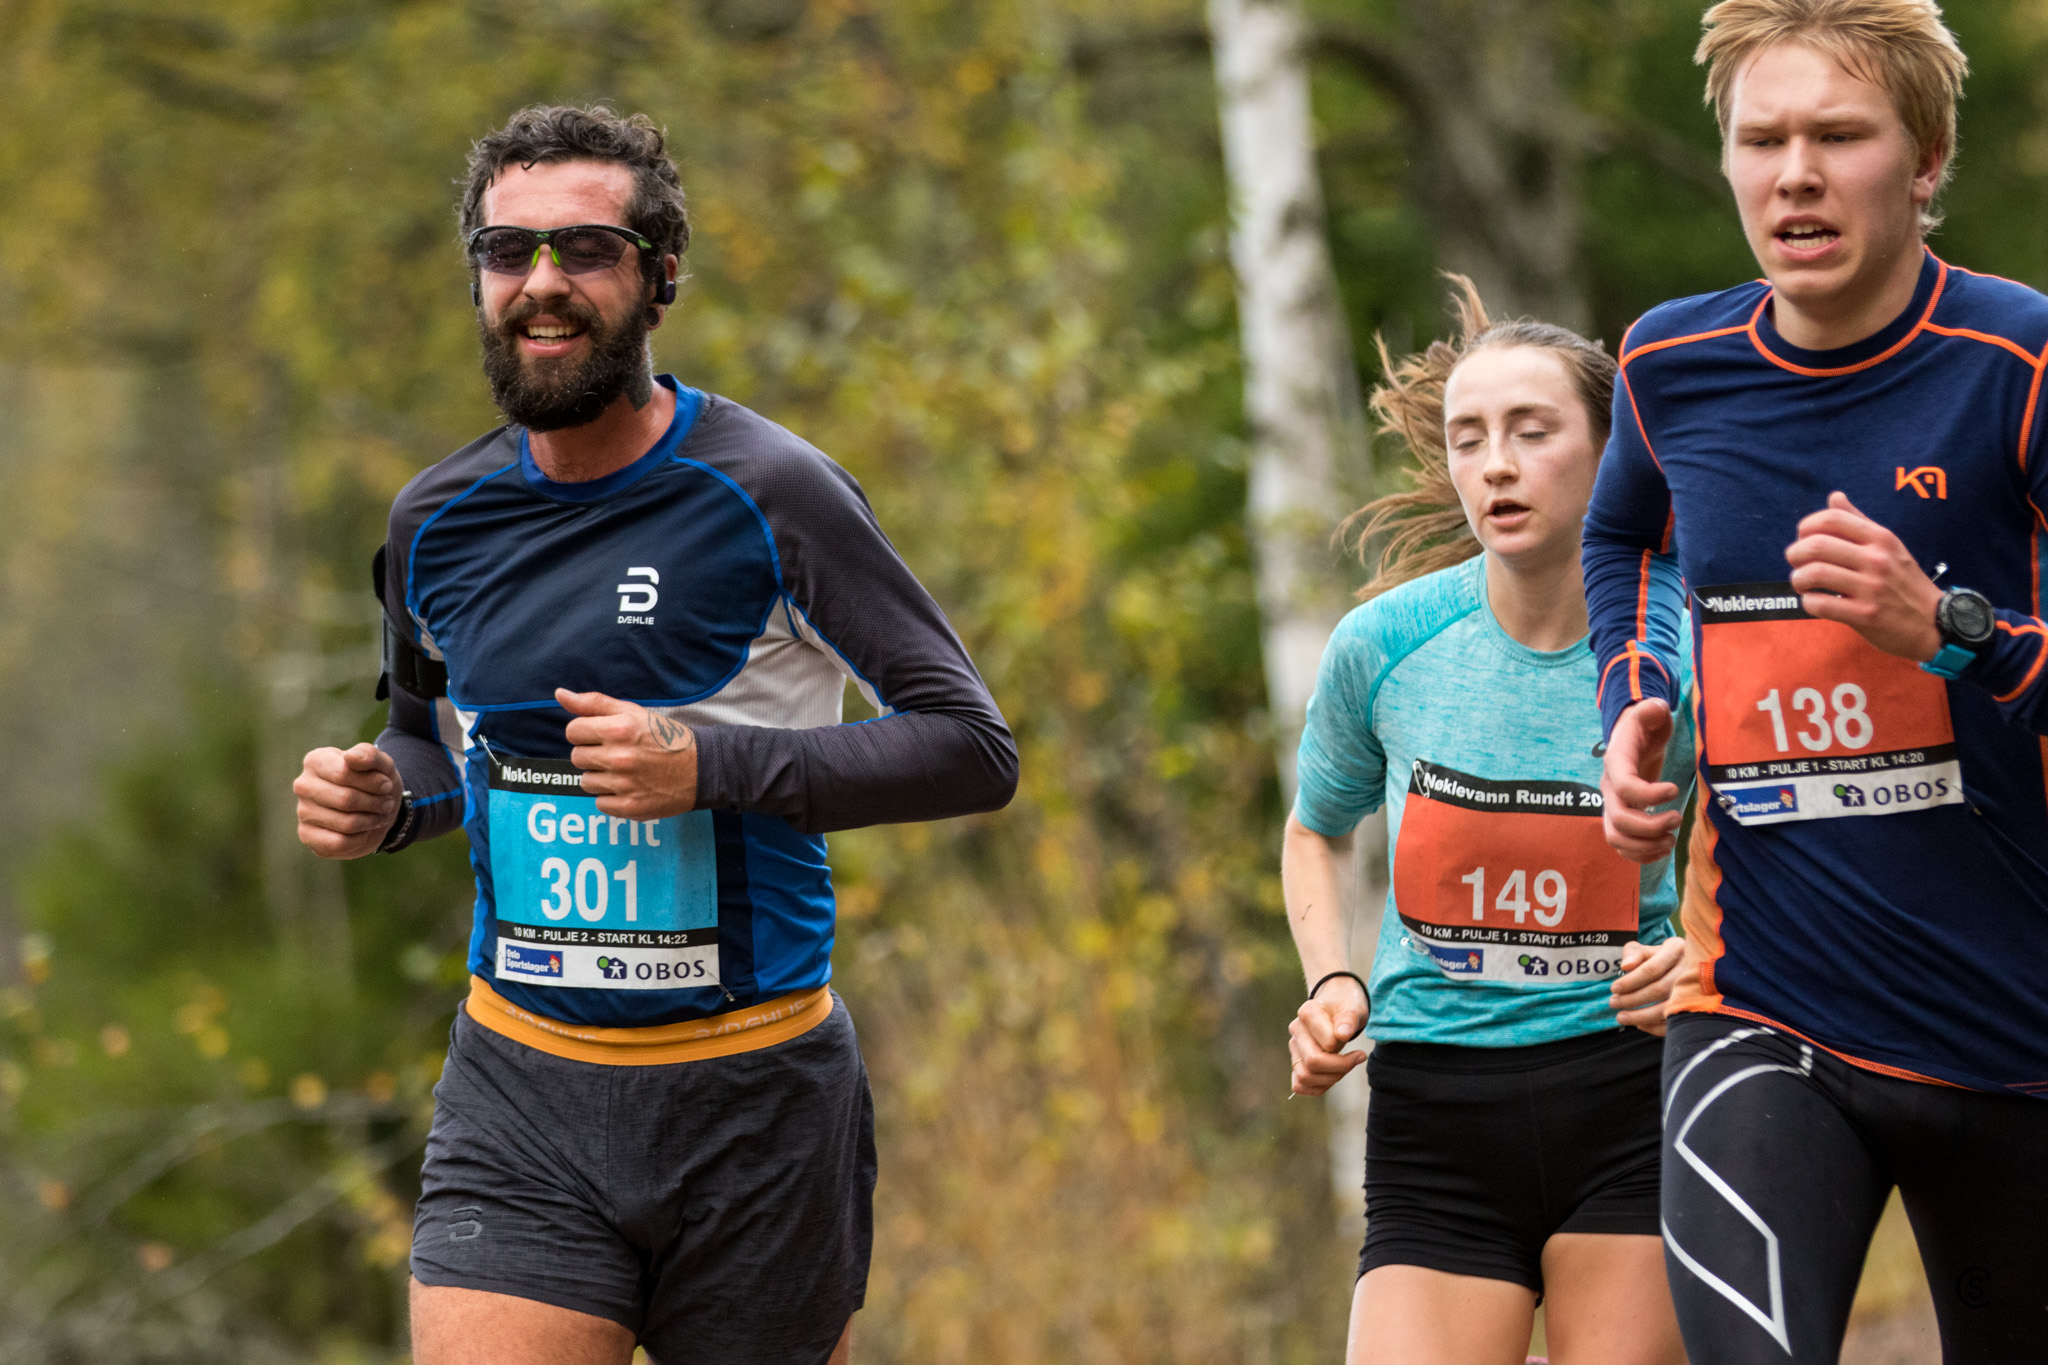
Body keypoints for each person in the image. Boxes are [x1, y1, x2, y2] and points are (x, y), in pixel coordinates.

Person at [291, 106, 1017, 1365]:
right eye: (507, 252)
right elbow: (432, 744)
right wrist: (384, 797)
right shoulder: (433, 521)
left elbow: (970, 746)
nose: (541, 284)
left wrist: (707, 768)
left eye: (586, 250)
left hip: (755, 1101)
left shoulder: (774, 493)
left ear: (660, 275)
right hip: (521, 1090)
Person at [1585, 0, 2048, 1358]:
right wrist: (1631, 702)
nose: (1795, 175)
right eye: (1761, 139)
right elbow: (1622, 536)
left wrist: (1949, 629)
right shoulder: (1670, 365)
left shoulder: (2018, 363)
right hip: (1760, 1008)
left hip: (2014, 1030)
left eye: (1839, 137)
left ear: (1926, 159)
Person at [1286, 279, 1695, 1365]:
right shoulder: (1385, 644)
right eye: (1468, 439)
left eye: (1530, 431)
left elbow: (1770, 848)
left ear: (1611, 453)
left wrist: (1706, 953)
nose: (1495, 465)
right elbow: (1315, 828)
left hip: (1629, 1092)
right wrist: (1331, 980)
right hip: (1435, 1115)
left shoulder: (1687, 649)